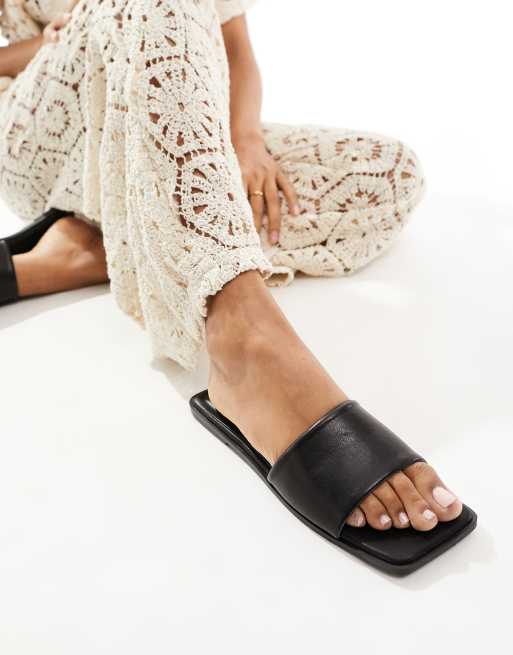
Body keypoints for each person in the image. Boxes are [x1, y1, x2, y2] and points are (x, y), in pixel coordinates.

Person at [0, 0, 463, 534]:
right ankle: (242, 336)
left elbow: (237, 51)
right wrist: (47, 43)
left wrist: (246, 142)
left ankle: (85, 250)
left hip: (164, 126)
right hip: (43, 132)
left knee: (389, 174)